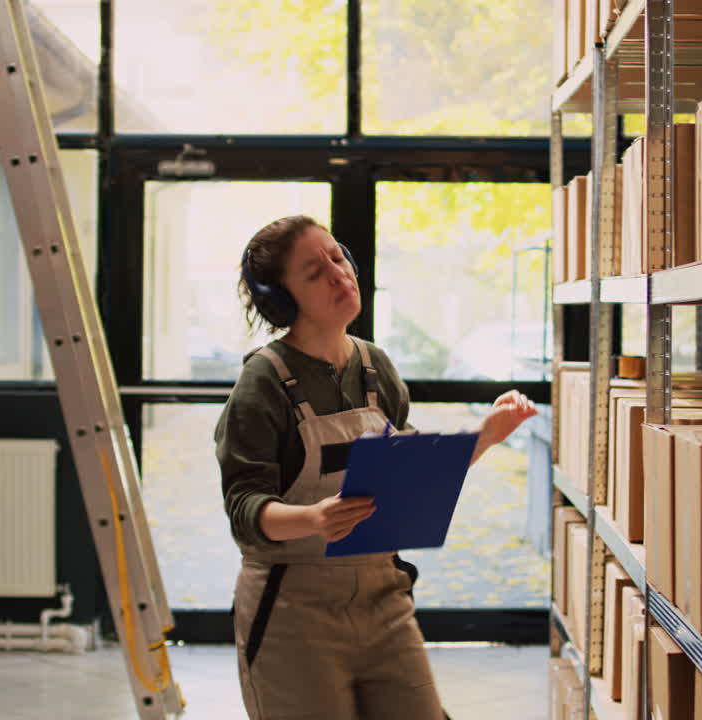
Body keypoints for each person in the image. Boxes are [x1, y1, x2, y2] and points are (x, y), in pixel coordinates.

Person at [216, 215, 538, 720]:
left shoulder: (375, 367)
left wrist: (488, 436)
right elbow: (243, 506)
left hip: (383, 597)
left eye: (337, 258)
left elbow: (410, 474)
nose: (338, 274)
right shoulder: (264, 381)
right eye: (313, 271)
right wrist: (314, 520)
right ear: (282, 298)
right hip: (293, 609)